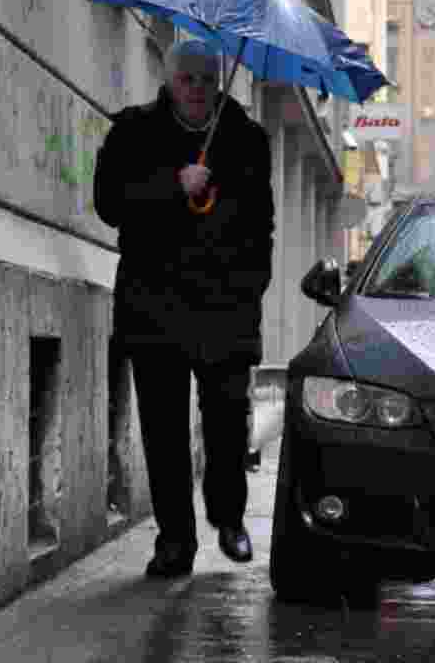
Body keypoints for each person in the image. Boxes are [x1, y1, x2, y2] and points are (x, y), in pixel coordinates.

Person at [94, 38, 275, 578]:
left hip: (225, 306)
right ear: (169, 83)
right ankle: (175, 540)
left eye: (205, 79)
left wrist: (251, 289)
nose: (196, 89)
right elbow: (109, 203)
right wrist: (175, 187)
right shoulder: (134, 131)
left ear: (218, 82)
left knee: (225, 423)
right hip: (156, 306)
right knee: (164, 430)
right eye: (186, 80)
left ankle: (229, 519)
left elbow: (260, 226)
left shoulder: (246, 139)